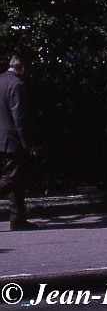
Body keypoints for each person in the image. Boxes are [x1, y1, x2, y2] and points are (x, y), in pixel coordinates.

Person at [0, 55, 40, 230]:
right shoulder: (16, 85)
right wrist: (29, 144)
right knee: (12, 179)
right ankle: (18, 219)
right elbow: (20, 119)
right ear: (22, 68)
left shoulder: (1, 80)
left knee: (17, 180)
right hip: (12, 140)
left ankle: (18, 218)